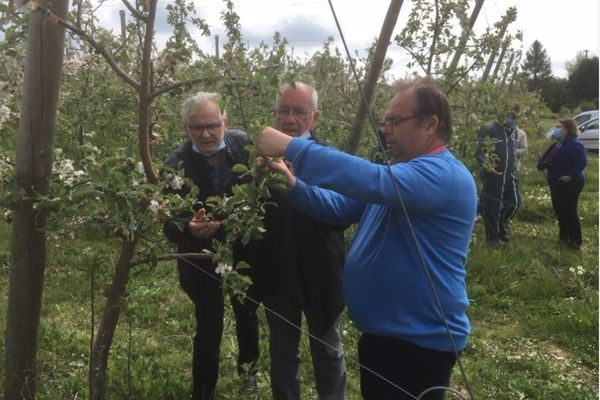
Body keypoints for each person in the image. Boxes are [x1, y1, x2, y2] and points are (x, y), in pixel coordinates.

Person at [256, 78, 476, 400]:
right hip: (388, 337)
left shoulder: (443, 175)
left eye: (394, 121)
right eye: (386, 121)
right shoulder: (402, 174)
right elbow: (340, 208)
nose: (385, 129)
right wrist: (294, 187)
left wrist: (290, 147)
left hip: (417, 343)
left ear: (430, 125)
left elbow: (369, 178)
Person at [163, 92, 261, 400]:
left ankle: (249, 371)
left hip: (242, 249)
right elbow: (167, 220)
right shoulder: (176, 165)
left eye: (213, 126)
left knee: (247, 311)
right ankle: (203, 390)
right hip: (200, 257)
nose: (206, 134)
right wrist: (189, 228)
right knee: (209, 323)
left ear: (225, 123)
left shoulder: (244, 147)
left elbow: (261, 196)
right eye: (197, 128)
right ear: (186, 128)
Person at [256, 82, 347, 400]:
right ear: (274, 114)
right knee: (282, 352)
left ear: (315, 117)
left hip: (320, 270)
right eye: (284, 111)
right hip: (277, 273)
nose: (291, 119)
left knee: (328, 349)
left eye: (300, 111)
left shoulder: (329, 159)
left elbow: (341, 215)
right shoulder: (258, 161)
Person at [537, 118, 587, 249]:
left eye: (559, 127)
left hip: (571, 183)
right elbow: (544, 160)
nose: (556, 129)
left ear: (567, 129)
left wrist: (570, 175)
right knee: (559, 210)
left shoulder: (575, 145)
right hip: (556, 183)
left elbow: (582, 163)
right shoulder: (557, 144)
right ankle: (564, 238)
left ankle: (576, 241)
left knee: (569, 210)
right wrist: (542, 165)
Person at [475, 104, 521, 245]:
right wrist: (487, 165)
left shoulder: (513, 132)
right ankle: (492, 239)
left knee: (514, 203)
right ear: (502, 113)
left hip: (510, 175)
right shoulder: (490, 129)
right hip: (493, 175)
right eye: (509, 115)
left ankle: (500, 226)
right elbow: (479, 152)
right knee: (492, 207)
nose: (511, 119)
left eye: (514, 116)